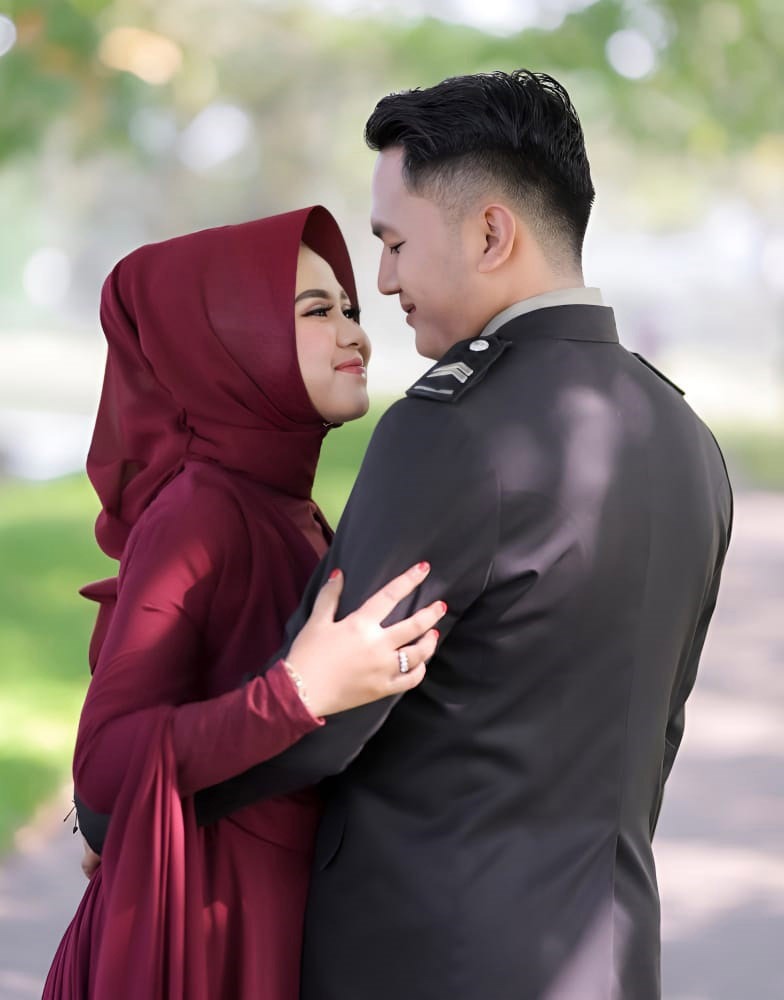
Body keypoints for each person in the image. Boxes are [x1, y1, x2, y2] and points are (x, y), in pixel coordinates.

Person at [192, 71, 734, 999]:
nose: (384, 280)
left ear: (490, 234)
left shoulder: (453, 428)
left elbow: (320, 716)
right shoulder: (687, 438)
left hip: (428, 961)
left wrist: (127, 809)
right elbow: (655, 735)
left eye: (395, 243)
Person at [45, 206, 444, 1000]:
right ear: (228, 340)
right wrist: (295, 694)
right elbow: (106, 765)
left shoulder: (286, 507)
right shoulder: (200, 513)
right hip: (196, 946)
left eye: (350, 309)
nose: (357, 335)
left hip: (265, 923)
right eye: (317, 312)